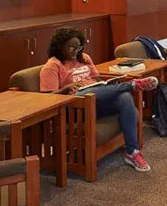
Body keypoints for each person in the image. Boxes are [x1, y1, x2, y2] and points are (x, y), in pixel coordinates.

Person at [40, 27, 157, 172]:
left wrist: (108, 85)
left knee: (125, 98)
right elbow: (46, 99)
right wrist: (67, 87)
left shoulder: (84, 58)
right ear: (60, 46)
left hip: (97, 102)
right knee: (89, 92)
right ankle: (130, 85)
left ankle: (132, 152)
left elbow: (98, 80)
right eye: (71, 47)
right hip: (76, 108)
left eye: (78, 47)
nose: (75, 51)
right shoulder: (52, 66)